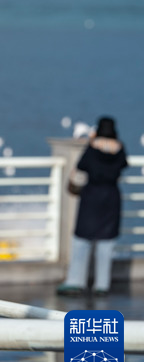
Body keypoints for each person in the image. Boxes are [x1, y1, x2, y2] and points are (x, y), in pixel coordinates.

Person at [57, 116, 128, 297]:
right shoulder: (119, 150)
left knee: (82, 240)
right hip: (111, 197)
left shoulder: (92, 149)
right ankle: (102, 285)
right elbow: (123, 165)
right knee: (106, 242)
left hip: (91, 197)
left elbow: (81, 166)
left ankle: (75, 281)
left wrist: (91, 141)